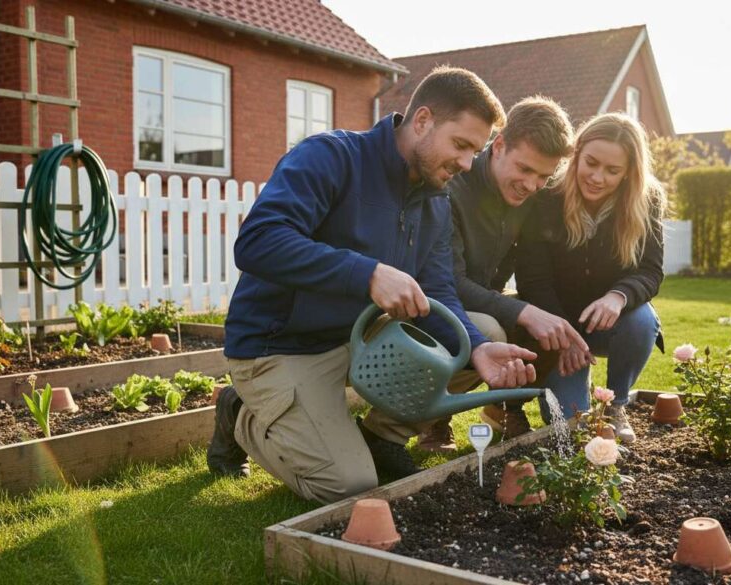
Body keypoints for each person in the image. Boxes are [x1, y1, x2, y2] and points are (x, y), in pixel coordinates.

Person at [208, 66, 538, 504]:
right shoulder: (330, 157)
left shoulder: (436, 201)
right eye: (460, 145)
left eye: (474, 152)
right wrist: (367, 273)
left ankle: (381, 438)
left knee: (481, 335)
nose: (465, 163)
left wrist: (476, 347)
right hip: (281, 345)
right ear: (422, 121)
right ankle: (241, 415)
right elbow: (257, 241)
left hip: (360, 337)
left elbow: (437, 289)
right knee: (348, 486)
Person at [408, 96, 592, 453]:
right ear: (500, 145)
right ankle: (433, 420)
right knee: (491, 326)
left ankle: (503, 406)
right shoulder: (451, 188)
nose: (532, 184)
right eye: (524, 169)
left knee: (545, 322)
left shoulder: (533, 200)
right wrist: (523, 312)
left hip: (486, 299)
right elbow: (451, 283)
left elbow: (535, 272)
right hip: (433, 304)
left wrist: (548, 317)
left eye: (543, 175)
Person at [516, 113, 666, 444]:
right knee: (574, 430)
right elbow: (532, 279)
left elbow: (651, 270)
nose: (597, 177)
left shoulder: (646, 201)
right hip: (556, 327)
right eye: (591, 163)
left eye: (612, 171)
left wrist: (618, 296)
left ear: (628, 173)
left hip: (612, 325)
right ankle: (572, 394)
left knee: (642, 320)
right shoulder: (546, 198)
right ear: (577, 153)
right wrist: (563, 336)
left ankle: (615, 404)